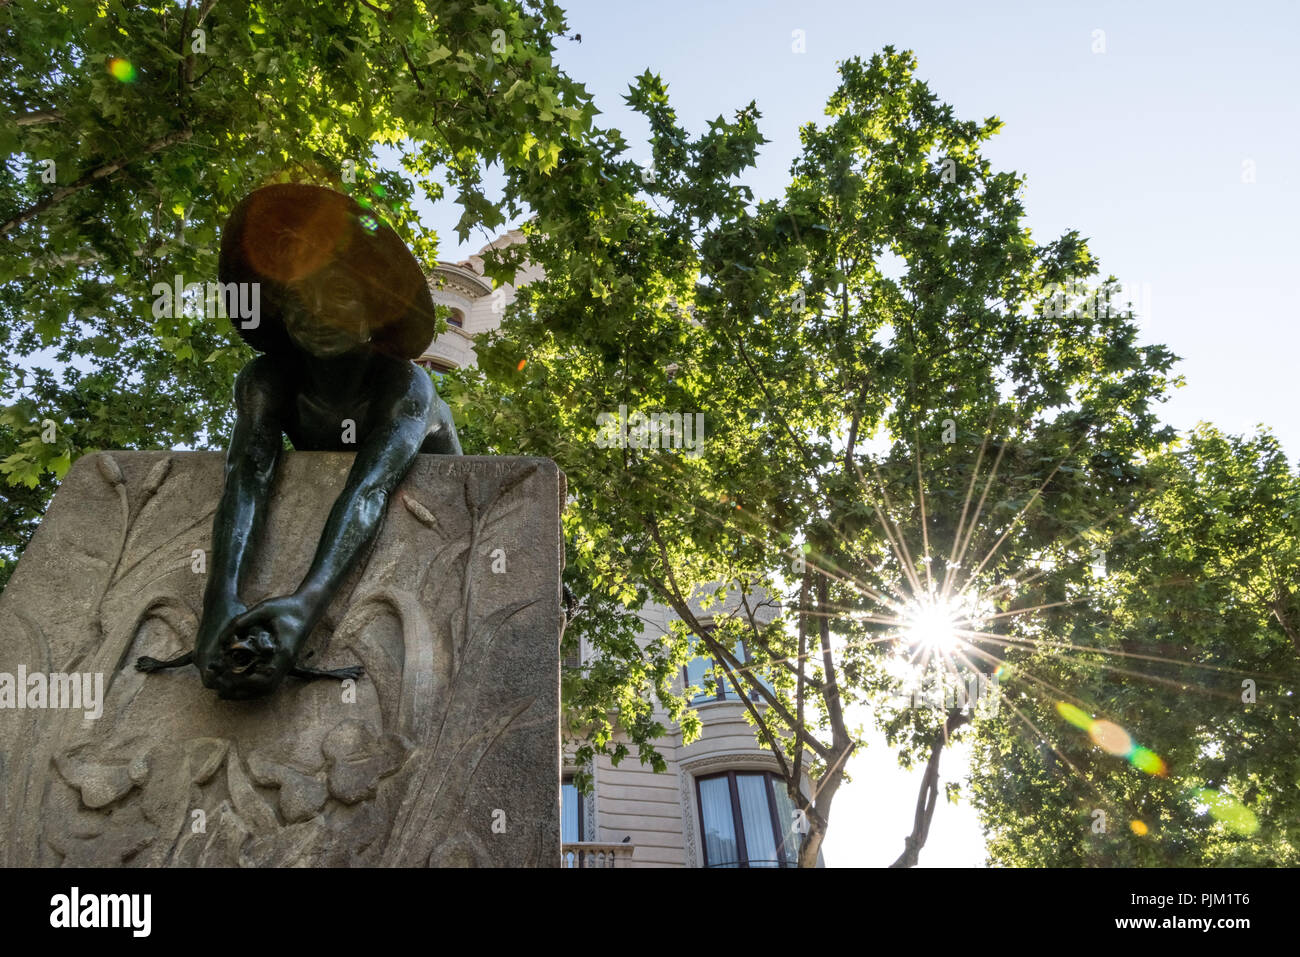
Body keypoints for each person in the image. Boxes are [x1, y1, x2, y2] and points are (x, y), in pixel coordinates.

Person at [137, 183, 461, 699]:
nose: (319, 313)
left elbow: (370, 491)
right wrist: (219, 599)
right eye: (299, 298)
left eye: (338, 296)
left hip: (423, 474)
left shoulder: (405, 387)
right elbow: (246, 476)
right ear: (281, 312)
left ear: (372, 311)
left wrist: (307, 604)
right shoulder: (266, 380)